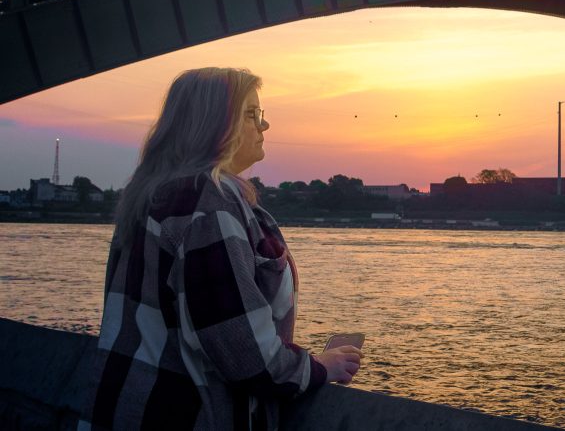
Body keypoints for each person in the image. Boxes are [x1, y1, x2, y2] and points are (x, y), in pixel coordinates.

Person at [77, 68, 361, 430]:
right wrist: (320, 367)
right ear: (213, 124)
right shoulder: (208, 205)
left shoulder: (150, 197)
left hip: (126, 409)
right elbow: (246, 355)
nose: (264, 125)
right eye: (251, 114)